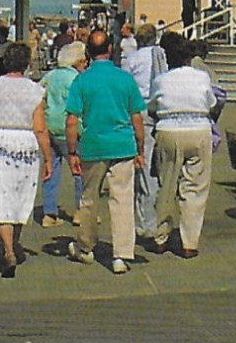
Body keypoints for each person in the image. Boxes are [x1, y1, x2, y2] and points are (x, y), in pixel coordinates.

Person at [64, 28, 146, 275]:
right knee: (122, 199)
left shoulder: (82, 80)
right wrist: (140, 149)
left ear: (88, 51)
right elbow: (137, 118)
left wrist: (71, 152)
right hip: (122, 145)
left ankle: (86, 247)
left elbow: (71, 120)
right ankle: (121, 254)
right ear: (111, 49)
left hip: (93, 145)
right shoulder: (124, 79)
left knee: (89, 198)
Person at [0, 42, 51, 279]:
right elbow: (41, 129)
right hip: (25, 144)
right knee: (20, 195)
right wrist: (48, 158)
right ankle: (14, 243)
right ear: (26, 63)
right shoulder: (35, 90)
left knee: (0, 196)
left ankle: (8, 249)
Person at [147, 33, 220, 258]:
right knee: (195, 187)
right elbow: (212, 103)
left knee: (166, 185)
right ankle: (189, 242)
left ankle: (161, 236)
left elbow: (152, 107)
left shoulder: (161, 80)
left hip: (168, 131)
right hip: (198, 130)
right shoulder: (202, 78)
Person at [123, 21, 168, 240]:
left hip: (137, 110)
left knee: (140, 165)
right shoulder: (162, 56)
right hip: (158, 109)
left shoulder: (132, 59)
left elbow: (125, 85)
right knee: (153, 169)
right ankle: (152, 219)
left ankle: (142, 221)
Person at [39, 41, 88, 227]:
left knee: (50, 169)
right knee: (79, 172)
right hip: (71, 130)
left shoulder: (50, 76)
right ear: (77, 62)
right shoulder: (77, 79)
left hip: (50, 127)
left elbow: (39, 94)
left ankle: (49, 213)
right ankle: (80, 211)